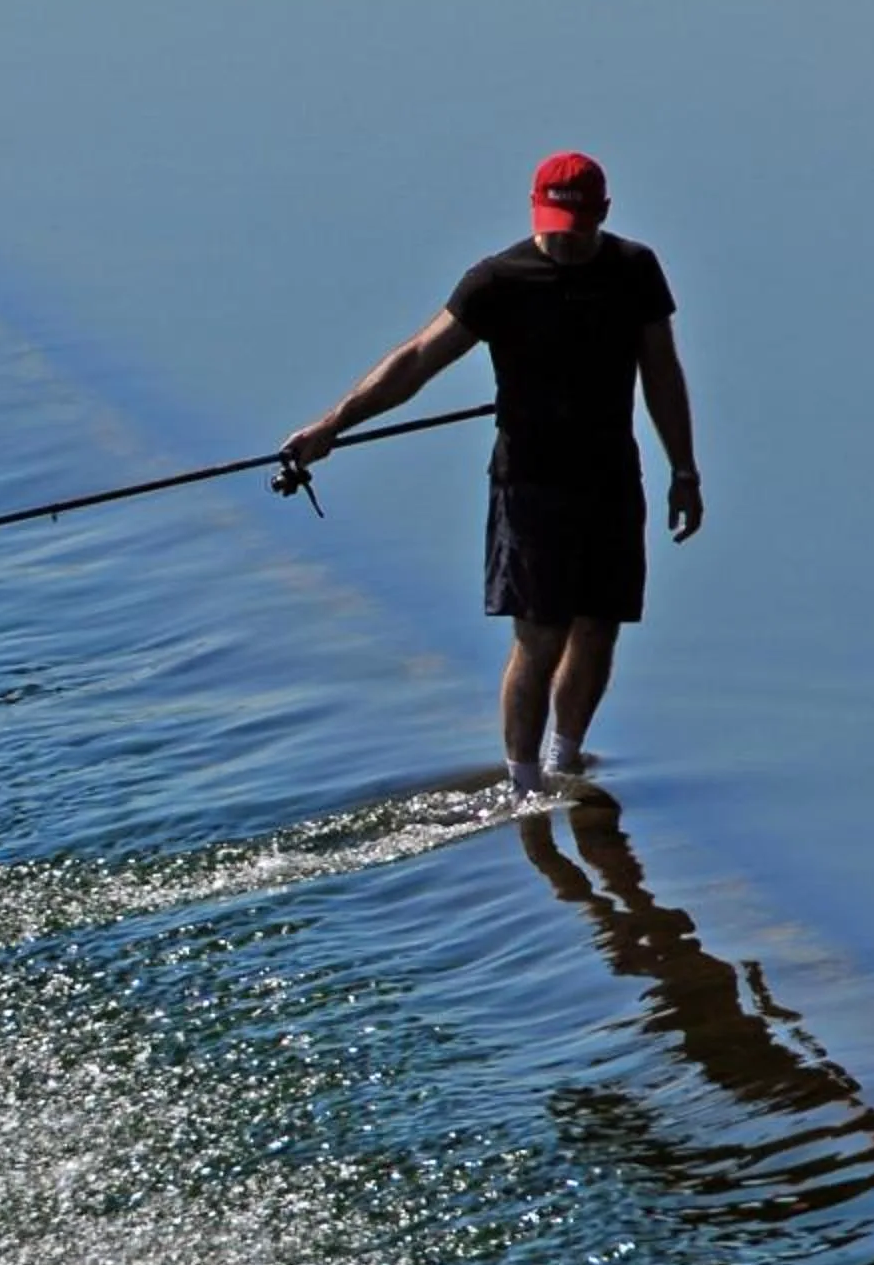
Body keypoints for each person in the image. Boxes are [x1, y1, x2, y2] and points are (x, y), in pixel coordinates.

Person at [283, 152, 702, 797]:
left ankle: (566, 762)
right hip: (529, 483)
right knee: (541, 635)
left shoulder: (634, 270)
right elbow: (416, 360)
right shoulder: (497, 282)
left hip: (611, 477)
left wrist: (685, 470)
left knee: (599, 624)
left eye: (579, 224)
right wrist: (333, 426)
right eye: (556, 222)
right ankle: (522, 784)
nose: (565, 237)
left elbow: (663, 374)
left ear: (604, 215)